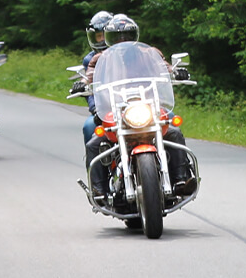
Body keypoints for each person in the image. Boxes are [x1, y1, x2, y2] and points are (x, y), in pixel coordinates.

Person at [75, 14, 192, 197]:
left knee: (174, 133)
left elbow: (164, 66)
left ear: (134, 37)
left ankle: (181, 180)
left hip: (147, 105)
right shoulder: (100, 59)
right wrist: (82, 83)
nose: (122, 41)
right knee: (94, 144)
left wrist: (176, 72)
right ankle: (99, 190)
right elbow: (90, 75)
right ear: (109, 39)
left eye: (127, 36)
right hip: (117, 110)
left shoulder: (148, 53)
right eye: (117, 38)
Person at [79, 11, 114, 143]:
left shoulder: (130, 53)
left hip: (137, 104)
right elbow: (88, 80)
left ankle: (179, 163)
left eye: (105, 35)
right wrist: (95, 109)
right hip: (107, 110)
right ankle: (95, 164)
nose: (102, 40)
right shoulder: (90, 60)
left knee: (170, 119)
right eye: (98, 36)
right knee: (89, 127)